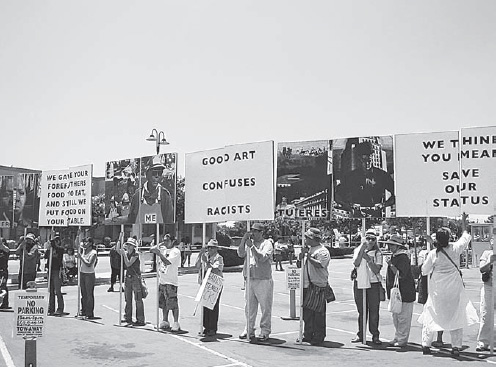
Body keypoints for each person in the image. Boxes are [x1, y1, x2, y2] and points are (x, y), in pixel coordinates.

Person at [418, 227, 478, 356]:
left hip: (437, 290)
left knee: (431, 313)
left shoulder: (433, 253)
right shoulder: (455, 249)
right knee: (456, 316)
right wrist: (464, 227)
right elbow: (465, 239)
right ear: (449, 238)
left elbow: (424, 270)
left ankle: (425, 344)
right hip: (454, 289)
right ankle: (456, 346)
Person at [335, 140, 395, 217]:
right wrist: (349, 206)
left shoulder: (382, 175)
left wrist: (383, 205)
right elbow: (337, 196)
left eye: (369, 160)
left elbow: (397, 194)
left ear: (372, 157)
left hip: (376, 216)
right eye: (364, 160)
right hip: (357, 216)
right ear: (359, 159)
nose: (367, 163)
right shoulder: (351, 176)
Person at [237, 222, 274, 341]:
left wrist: (252, 247)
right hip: (250, 278)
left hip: (263, 279)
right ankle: (249, 328)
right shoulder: (249, 243)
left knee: (265, 307)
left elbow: (262, 258)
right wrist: (244, 240)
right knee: (249, 307)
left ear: (261, 232)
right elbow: (240, 253)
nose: (253, 233)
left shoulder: (267, 244)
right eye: (252, 231)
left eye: (256, 231)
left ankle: (265, 331)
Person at [351, 229, 383, 345]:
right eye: (368, 238)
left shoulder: (378, 253)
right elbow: (356, 263)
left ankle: (375, 334)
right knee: (362, 311)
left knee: (374, 311)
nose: (370, 241)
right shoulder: (357, 250)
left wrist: (369, 259)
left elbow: (376, 270)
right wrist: (361, 252)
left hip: (373, 283)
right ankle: (361, 334)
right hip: (360, 282)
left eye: (373, 239)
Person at [299, 228, 330, 346]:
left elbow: (320, 265)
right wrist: (302, 256)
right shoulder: (308, 249)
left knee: (318, 313)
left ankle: (319, 335)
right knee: (307, 312)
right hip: (306, 284)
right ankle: (308, 334)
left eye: (307, 237)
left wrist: (308, 256)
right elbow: (299, 264)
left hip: (318, 284)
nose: (305, 239)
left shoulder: (323, 251)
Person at [384, 235, 416, 348]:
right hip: (397, 292)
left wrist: (390, 265)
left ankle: (402, 339)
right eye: (389, 244)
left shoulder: (402, 257)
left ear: (398, 246)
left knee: (403, 317)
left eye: (392, 245)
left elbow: (400, 274)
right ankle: (398, 336)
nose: (389, 247)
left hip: (404, 291)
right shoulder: (395, 256)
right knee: (396, 316)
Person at [128, 156, 174, 225]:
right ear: (147, 175)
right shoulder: (138, 195)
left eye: (160, 173)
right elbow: (131, 220)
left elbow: (169, 221)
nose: (157, 176)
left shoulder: (165, 196)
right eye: (154, 173)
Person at [150, 234, 181, 331]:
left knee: (173, 303)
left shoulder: (175, 251)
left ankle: (176, 322)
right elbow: (151, 249)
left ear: (172, 241)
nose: (165, 242)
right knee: (163, 303)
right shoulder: (163, 249)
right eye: (164, 240)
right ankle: (165, 320)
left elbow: (168, 262)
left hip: (171, 281)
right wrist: (159, 245)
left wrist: (159, 253)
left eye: (167, 240)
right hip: (162, 280)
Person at [196, 239, 224, 336]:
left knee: (213, 306)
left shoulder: (218, 258)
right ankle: (206, 326)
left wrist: (207, 262)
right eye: (208, 247)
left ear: (216, 248)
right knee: (205, 305)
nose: (209, 249)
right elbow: (197, 266)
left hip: (214, 284)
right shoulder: (204, 256)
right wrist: (200, 255)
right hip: (205, 283)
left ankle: (212, 328)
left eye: (212, 247)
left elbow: (215, 269)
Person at [119, 237, 145, 326]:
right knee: (128, 298)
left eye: (131, 245)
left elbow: (128, 263)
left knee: (138, 299)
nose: (129, 246)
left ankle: (140, 319)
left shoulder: (135, 254)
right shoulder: (126, 253)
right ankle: (128, 317)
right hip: (128, 277)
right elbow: (117, 249)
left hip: (135, 278)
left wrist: (124, 255)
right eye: (128, 245)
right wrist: (120, 237)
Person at [475, 238, 495, 352]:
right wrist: (490, 261)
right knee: (486, 315)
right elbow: (482, 269)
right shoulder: (487, 254)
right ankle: (483, 341)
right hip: (489, 287)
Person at [77, 237, 98, 319]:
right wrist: (78, 235)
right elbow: (77, 244)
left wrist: (81, 257)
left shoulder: (93, 253)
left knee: (89, 294)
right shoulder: (83, 251)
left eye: (86, 242)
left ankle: (90, 312)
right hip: (82, 273)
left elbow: (89, 264)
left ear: (90, 243)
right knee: (83, 293)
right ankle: (84, 310)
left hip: (89, 274)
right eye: (84, 242)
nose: (85, 243)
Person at [45, 233, 65, 316]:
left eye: (57, 240)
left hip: (57, 270)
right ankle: (51, 308)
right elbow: (46, 257)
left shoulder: (60, 249)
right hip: (50, 270)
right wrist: (49, 248)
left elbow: (59, 256)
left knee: (58, 291)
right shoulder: (50, 249)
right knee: (51, 291)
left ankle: (60, 308)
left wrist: (54, 245)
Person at [0, 238, 10, 309]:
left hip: (3, 271)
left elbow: (7, 250)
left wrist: (1, 245)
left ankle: (5, 303)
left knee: (3, 286)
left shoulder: (5, 251)